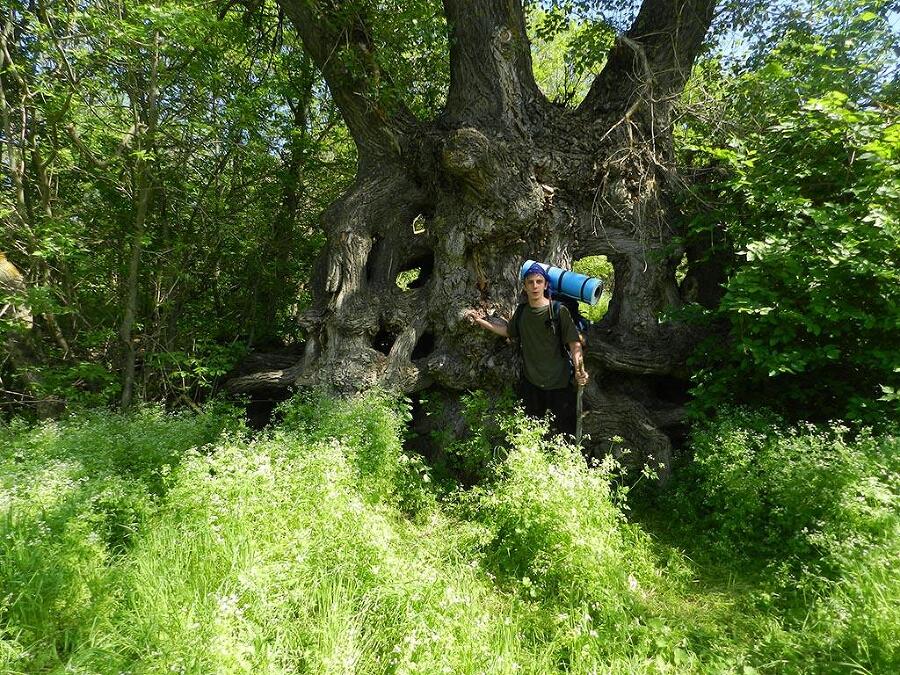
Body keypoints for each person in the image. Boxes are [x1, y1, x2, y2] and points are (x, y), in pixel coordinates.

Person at [467, 262, 588, 436]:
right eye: (530, 282)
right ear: (524, 286)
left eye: (539, 281)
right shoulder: (522, 311)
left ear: (546, 285)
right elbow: (509, 331)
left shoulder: (558, 311)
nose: (535, 286)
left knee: (566, 433)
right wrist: (482, 322)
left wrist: (579, 369)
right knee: (531, 432)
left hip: (559, 382)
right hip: (532, 383)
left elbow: (574, 344)